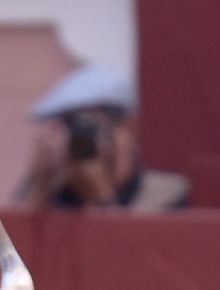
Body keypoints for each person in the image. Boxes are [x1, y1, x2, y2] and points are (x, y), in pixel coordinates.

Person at [14, 64, 190, 210]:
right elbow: (11, 239)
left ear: (126, 126)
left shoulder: (165, 194)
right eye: (69, 125)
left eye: (89, 126)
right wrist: (39, 186)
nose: (80, 138)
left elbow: (136, 243)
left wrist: (101, 198)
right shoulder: (57, 193)